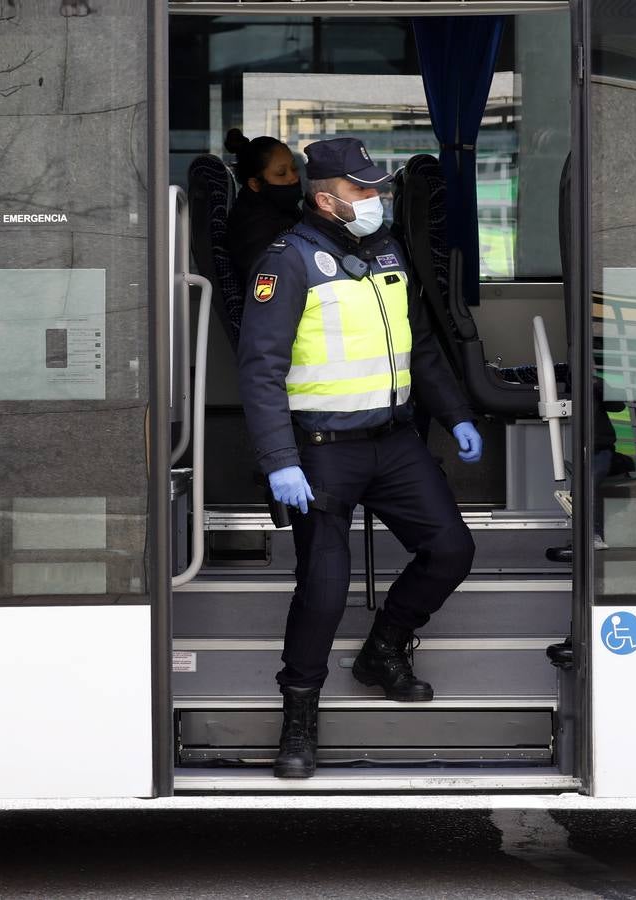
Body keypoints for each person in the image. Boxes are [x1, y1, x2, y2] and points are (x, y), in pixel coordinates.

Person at [236, 137, 484, 779]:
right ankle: (298, 718)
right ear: (326, 197)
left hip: (394, 441)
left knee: (451, 549)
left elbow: (420, 345)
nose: (375, 198)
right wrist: (278, 460)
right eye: (361, 189)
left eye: (376, 187)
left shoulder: (386, 251)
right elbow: (260, 370)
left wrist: (455, 413)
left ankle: (384, 648)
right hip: (320, 451)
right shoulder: (285, 262)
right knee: (324, 586)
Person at [225, 128, 303, 278]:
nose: (293, 177)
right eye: (281, 173)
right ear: (255, 184)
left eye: (294, 168)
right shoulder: (254, 227)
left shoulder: (281, 209)